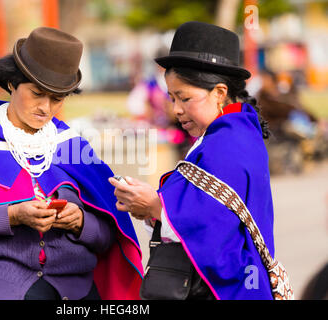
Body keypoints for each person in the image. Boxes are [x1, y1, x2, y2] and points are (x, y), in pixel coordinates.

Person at [0, 27, 143, 300]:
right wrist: (12, 215)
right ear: (12, 84)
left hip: (73, 291)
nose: (45, 107)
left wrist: (81, 222)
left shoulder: (74, 148)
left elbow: (108, 237)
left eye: (57, 98)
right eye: (36, 93)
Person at [109, 21, 280, 300]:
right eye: (172, 98)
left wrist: (155, 206)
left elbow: (213, 230)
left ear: (219, 93)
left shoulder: (227, 144)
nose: (176, 109)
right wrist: (155, 210)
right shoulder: (234, 131)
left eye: (185, 98)